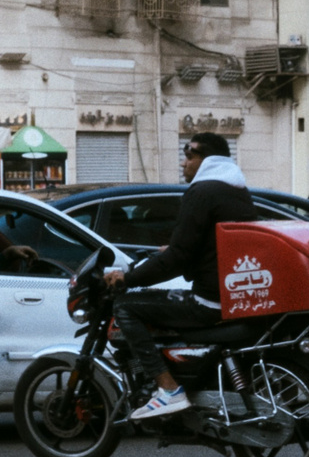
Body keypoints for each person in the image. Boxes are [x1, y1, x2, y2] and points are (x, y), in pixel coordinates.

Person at [102, 131, 258, 421]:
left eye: (189, 155)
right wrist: (174, 251)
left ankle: (168, 389)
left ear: (207, 160)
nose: (183, 163)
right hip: (236, 295)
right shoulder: (237, 190)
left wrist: (128, 278)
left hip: (210, 300)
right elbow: (211, 246)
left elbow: (177, 260)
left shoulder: (201, 193)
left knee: (125, 306)